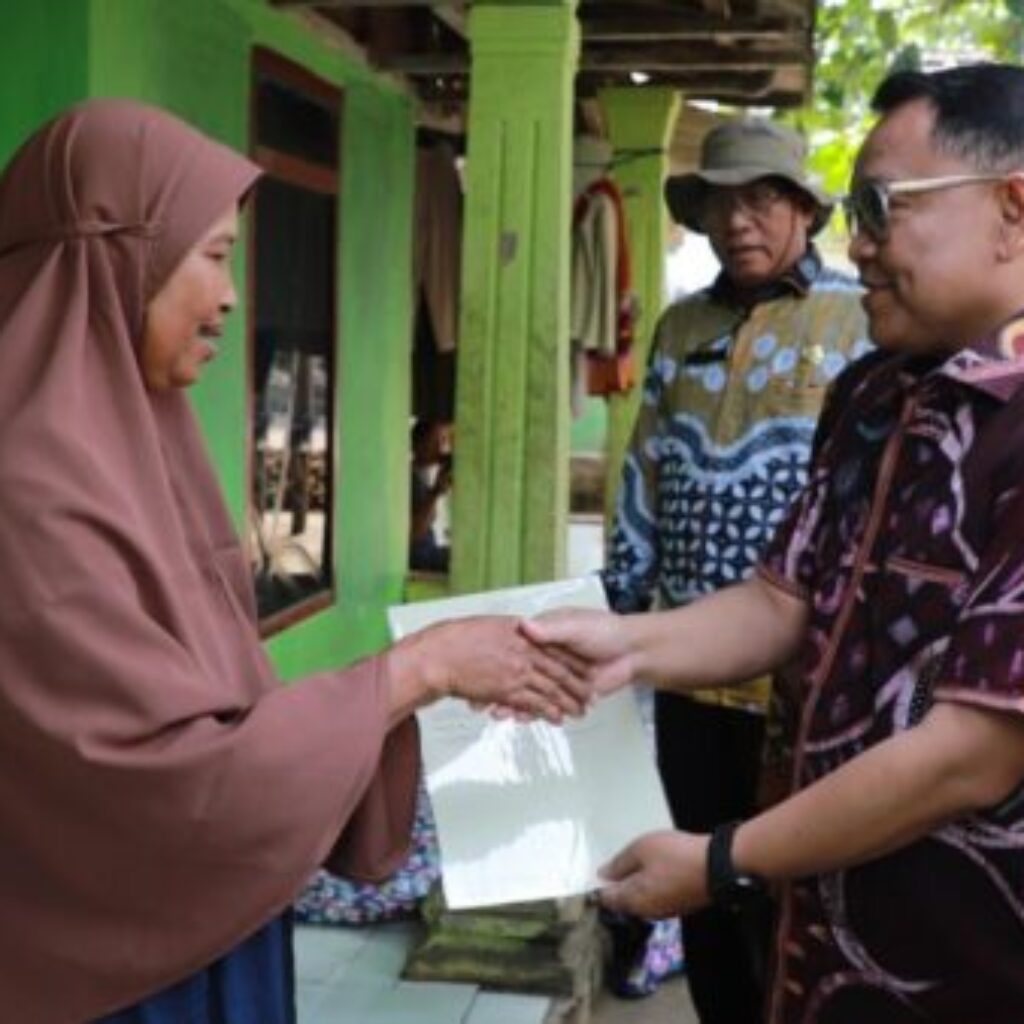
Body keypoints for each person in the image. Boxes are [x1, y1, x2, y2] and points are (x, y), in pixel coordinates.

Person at [0, 99, 588, 1024]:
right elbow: (159, 782)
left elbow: (217, 700)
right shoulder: (31, 483)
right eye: (214, 255)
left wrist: (418, 687)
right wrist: (414, 671)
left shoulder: (142, 437)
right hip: (119, 973)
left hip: (208, 923)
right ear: (121, 256)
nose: (232, 295)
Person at [529, 62, 1024, 1024]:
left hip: (965, 965)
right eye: (856, 213)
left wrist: (722, 859)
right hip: (819, 938)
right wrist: (615, 645)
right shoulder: (873, 394)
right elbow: (779, 600)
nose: (862, 243)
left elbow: (975, 750)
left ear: (1014, 205)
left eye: (882, 207)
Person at [601, 118, 869, 1017]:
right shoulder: (681, 328)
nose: (739, 220)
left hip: (799, 675)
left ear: (802, 210)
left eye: (761, 197)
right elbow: (643, 467)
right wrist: (616, 605)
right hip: (685, 671)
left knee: (786, 893)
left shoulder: (859, 320)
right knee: (701, 891)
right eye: (721, 200)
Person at [409, 418, 453, 572]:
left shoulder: (436, 472)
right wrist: (435, 493)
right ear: (419, 444)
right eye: (439, 439)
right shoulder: (408, 479)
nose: (443, 446)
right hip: (421, 557)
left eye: (445, 440)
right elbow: (413, 534)